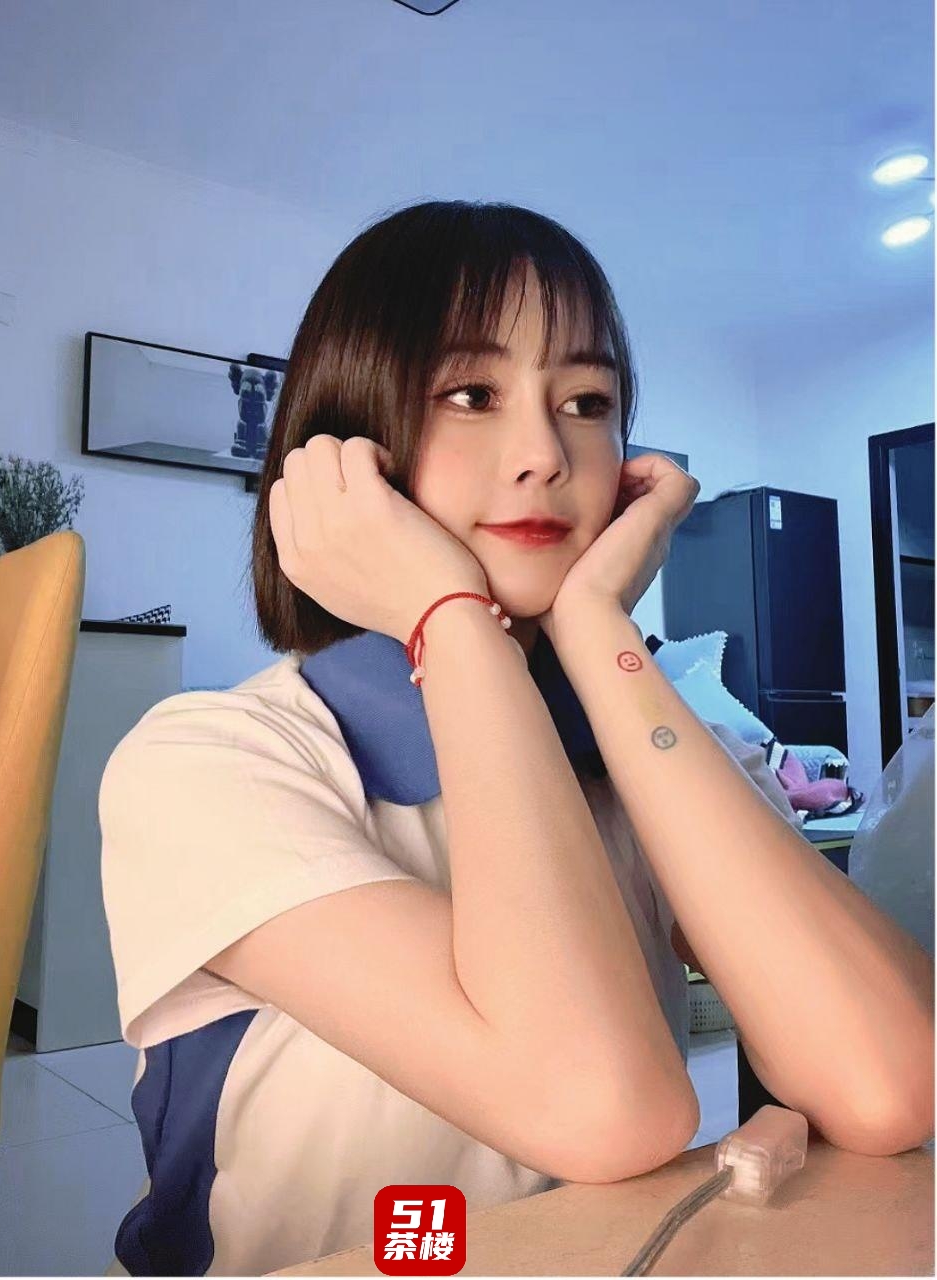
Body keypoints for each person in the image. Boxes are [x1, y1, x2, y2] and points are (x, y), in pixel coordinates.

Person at [100, 200, 929, 1278]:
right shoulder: (211, 762)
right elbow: (600, 1106)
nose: (544, 453)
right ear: (344, 447)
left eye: (586, 402)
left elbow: (886, 1082)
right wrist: (450, 620)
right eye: (471, 394)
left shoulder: (641, 748)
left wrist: (597, 630)